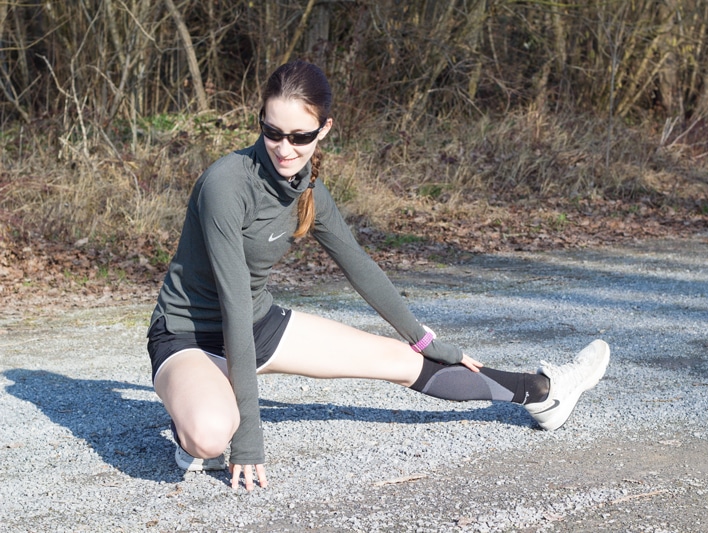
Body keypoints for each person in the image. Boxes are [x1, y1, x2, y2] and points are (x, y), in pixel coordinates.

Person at [146, 60, 610, 492]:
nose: (285, 148)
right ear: (260, 122)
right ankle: (196, 414)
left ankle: (544, 392)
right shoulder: (226, 184)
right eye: (273, 132)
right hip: (189, 336)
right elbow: (232, 305)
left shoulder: (310, 191)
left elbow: (360, 267)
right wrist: (248, 436)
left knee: (404, 363)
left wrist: (424, 340)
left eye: (300, 136)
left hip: (257, 326)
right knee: (210, 434)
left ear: (324, 130)